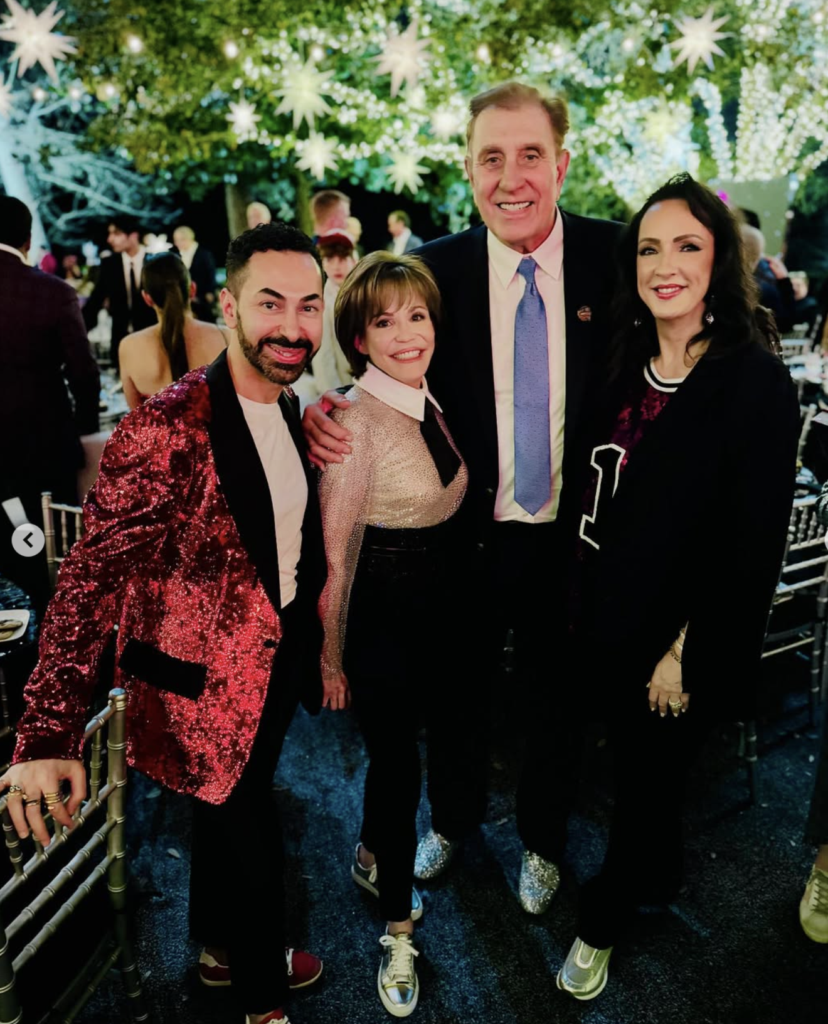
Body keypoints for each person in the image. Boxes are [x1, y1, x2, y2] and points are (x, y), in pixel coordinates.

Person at [303, 82, 622, 913]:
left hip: (570, 540)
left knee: (556, 701)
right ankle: (450, 820)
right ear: (469, 168)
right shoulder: (435, 271)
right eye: (490, 158)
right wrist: (320, 410)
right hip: (461, 538)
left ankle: (544, 841)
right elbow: (373, 367)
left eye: (529, 155)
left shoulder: (616, 259)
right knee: (456, 699)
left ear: (562, 163)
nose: (510, 178)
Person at [2, 222, 330, 1024]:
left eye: (309, 305)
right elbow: (88, 581)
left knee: (229, 814)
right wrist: (46, 732)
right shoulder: (168, 428)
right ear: (230, 307)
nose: (292, 326)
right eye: (272, 304)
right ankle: (263, 999)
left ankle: (220, 951)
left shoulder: (289, 403)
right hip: (201, 687)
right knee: (249, 830)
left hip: (276, 656)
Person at [555, 174, 799, 1000]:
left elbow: (751, 546)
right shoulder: (621, 358)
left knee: (646, 783)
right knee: (634, 774)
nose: (666, 266)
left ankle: (600, 924)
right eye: (650, 249)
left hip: (676, 640)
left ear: (718, 259)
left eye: (687, 246)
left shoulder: (753, 381)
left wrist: (682, 652)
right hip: (601, 615)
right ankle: (656, 874)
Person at [317, 252, 468, 1017]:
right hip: (378, 622)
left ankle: (374, 854)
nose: (407, 333)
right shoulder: (352, 422)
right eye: (385, 321)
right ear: (359, 338)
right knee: (399, 768)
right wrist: (330, 658)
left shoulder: (428, 396)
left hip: (435, 614)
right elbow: (335, 557)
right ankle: (398, 930)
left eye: (417, 315)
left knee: (400, 759)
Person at [0, 196, 100, 611]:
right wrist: (84, 426)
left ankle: (22, 622)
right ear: (27, 240)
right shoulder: (54, 292)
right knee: (58, 547)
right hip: (47, 442)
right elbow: (84, 373)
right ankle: (60, 622)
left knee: (12, 548)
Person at [118, 251, 228, 409]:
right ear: (192, 289)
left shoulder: (128, 346)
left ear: (147, 298)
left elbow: (135, 416)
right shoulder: (226, 336)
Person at [82, 215, 157, 367]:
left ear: (133, 235)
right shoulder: (110, 264)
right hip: (121, 342)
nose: (110, 239)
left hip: (152, 341)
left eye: (116, 233)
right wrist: (76, 330)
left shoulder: (155, 262)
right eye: (110, 234)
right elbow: (95, 302)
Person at [172, 225, 218, 322]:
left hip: (202, 300)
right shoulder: (177, 257)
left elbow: (211, 276)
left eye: (180, 240)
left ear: (189, 238)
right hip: (185, 302)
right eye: (176, 240)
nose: (177, 243)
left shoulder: (204, 254)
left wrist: (208, 294)